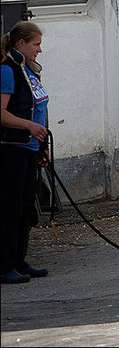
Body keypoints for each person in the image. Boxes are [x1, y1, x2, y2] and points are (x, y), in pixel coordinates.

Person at [1, 21, 50, 284]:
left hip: (30, 148)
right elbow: (1, 114)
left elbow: (39, 108)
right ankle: (5, 264)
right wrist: (29, 126)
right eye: (36, 44)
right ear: (21, 44)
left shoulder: (29, 71)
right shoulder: (8, 71)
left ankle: (18, 260)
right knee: (9, 209)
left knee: (24, 208)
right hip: (12, 149)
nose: (39, 50)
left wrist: (41, 146)